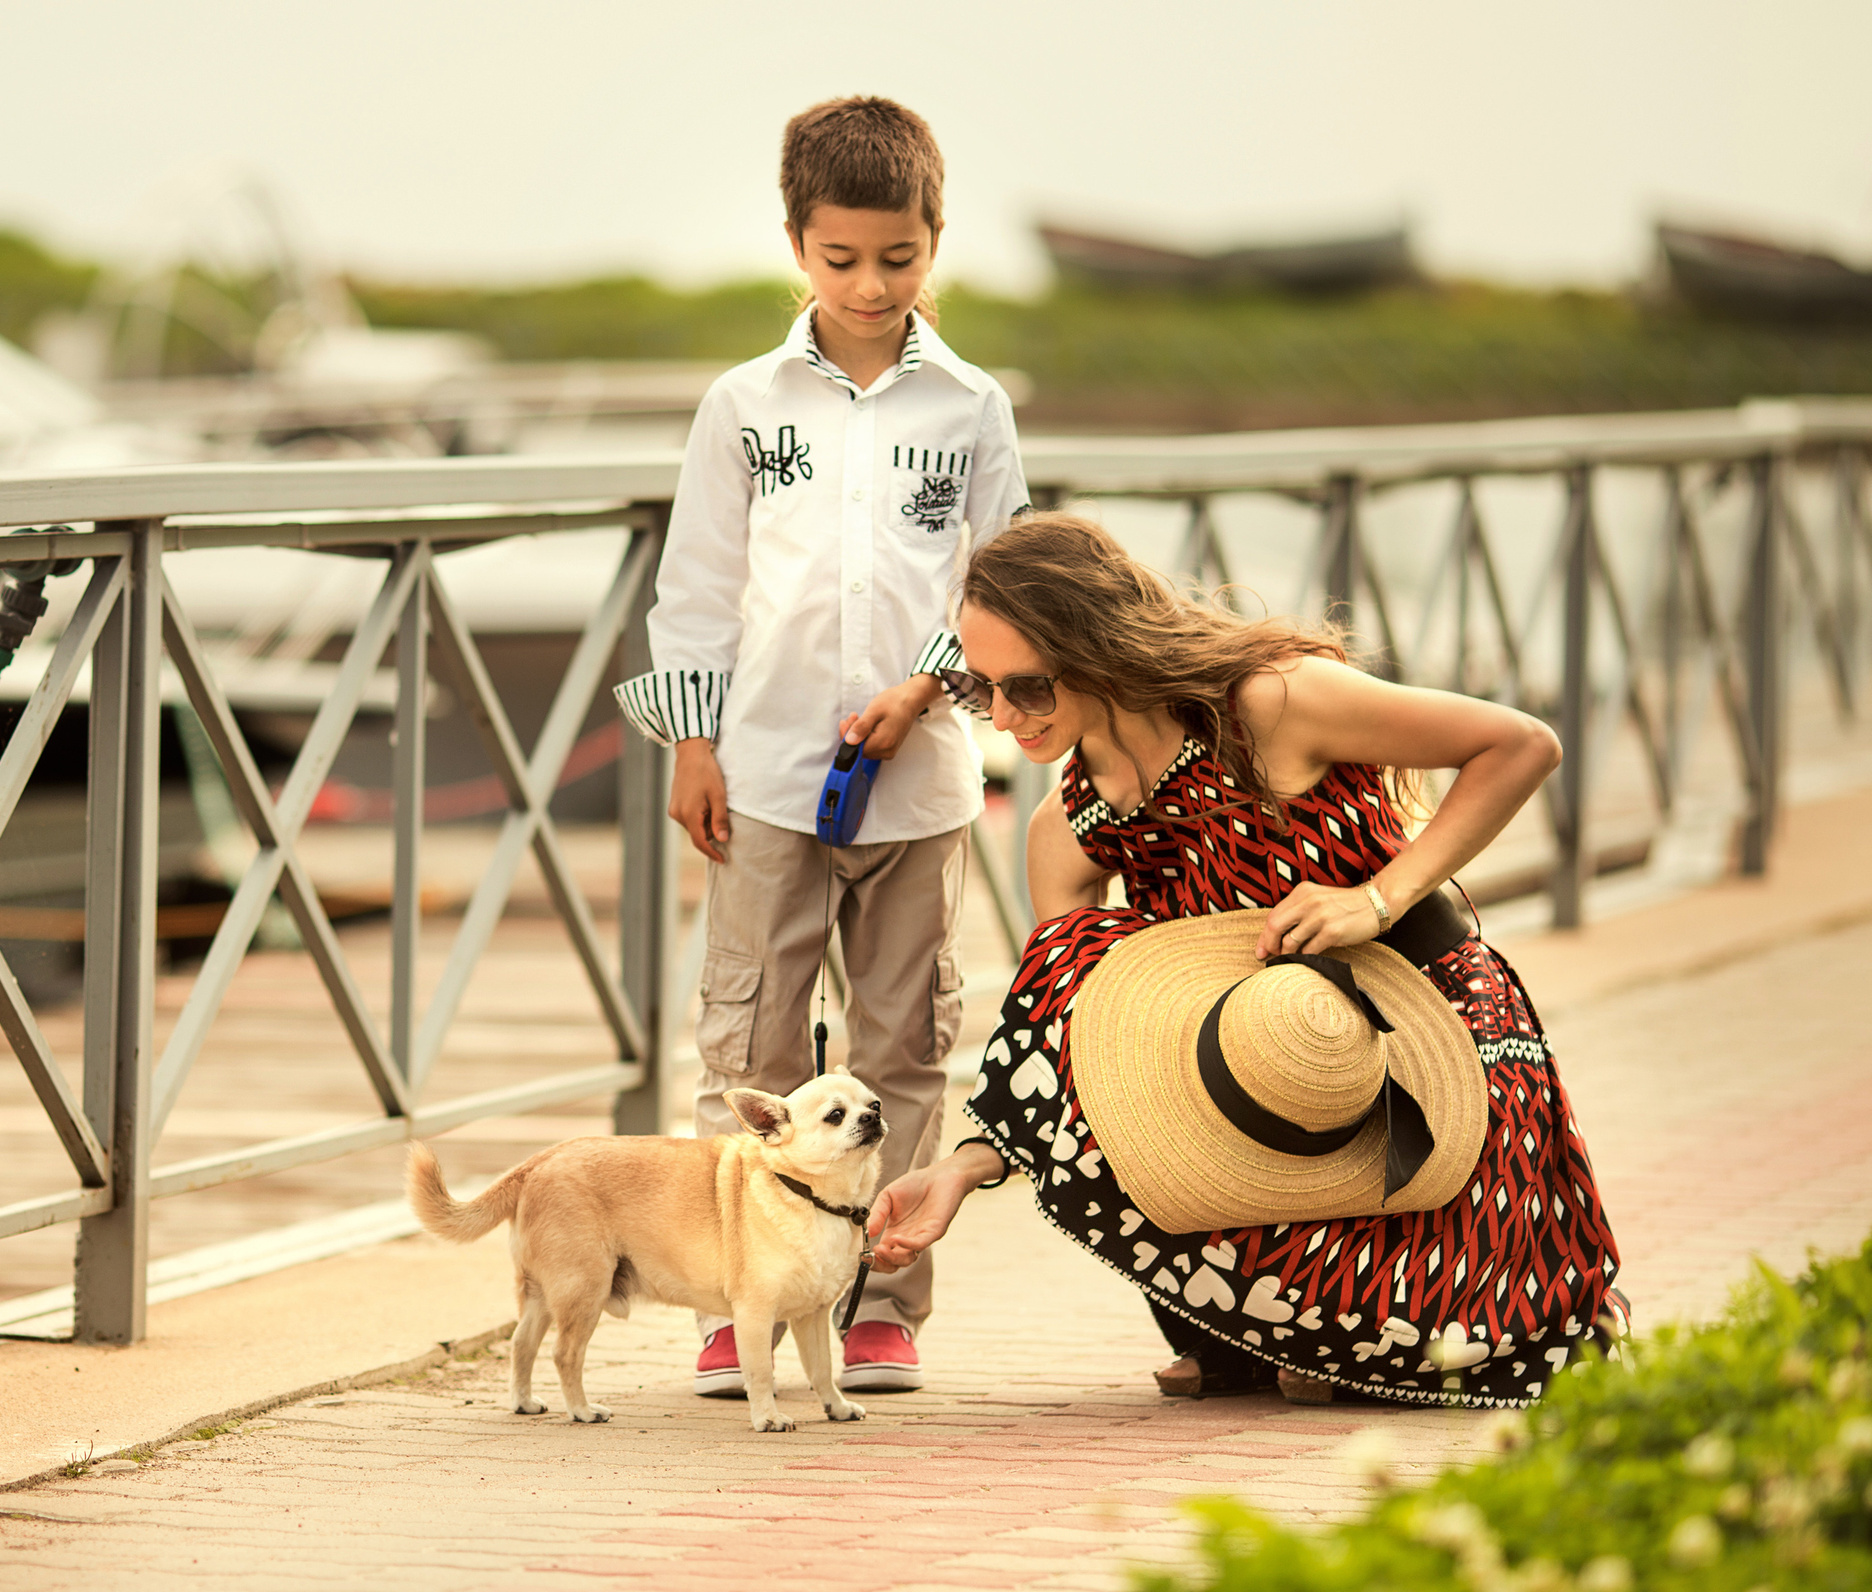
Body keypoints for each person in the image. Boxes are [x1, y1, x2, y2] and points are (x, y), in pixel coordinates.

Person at [861, 512, 1624, 1407]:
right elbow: (1072, 1052)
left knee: (1464, 1352)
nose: (1001, 717)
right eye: (974, 687)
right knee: (1074, 969)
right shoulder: (1066, 830)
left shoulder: (1269, 703)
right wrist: (962, 1167)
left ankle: (1302, 1325)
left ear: (1097, 651)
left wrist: (1375, 897)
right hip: (1270, 1085)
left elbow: (1523, 742)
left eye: (1026, 687)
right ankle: (1270, 1329)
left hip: (1425, 1040)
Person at [612, 95, 1029, 1397]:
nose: (867, 283)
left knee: (903, 1041)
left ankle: (885, 1299)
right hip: (765, 775)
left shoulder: (970, 406)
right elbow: (694, 587)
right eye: (840, 258)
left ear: (934, 241)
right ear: (796, 242)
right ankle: (736, 1305)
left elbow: (1008, 591)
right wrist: (692, 742)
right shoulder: (744, 404)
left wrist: (927, 688)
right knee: (751, 1046)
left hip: (921, 786)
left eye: (896, 259)